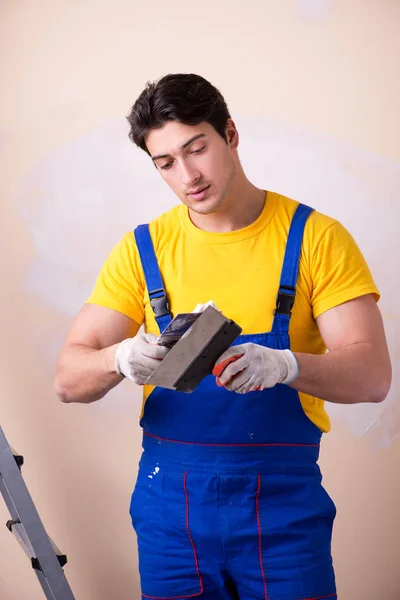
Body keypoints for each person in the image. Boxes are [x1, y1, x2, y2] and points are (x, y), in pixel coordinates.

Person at [55, 73, 392, 600]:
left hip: (282, 511)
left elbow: (372, 377)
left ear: (230, 134)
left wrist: (287, 365)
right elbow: (68, 381)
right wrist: (119, 358)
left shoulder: (315, 239)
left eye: (197, 148)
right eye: (165, 162)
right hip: (170, 513)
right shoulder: (141, 250)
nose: (188, 174)